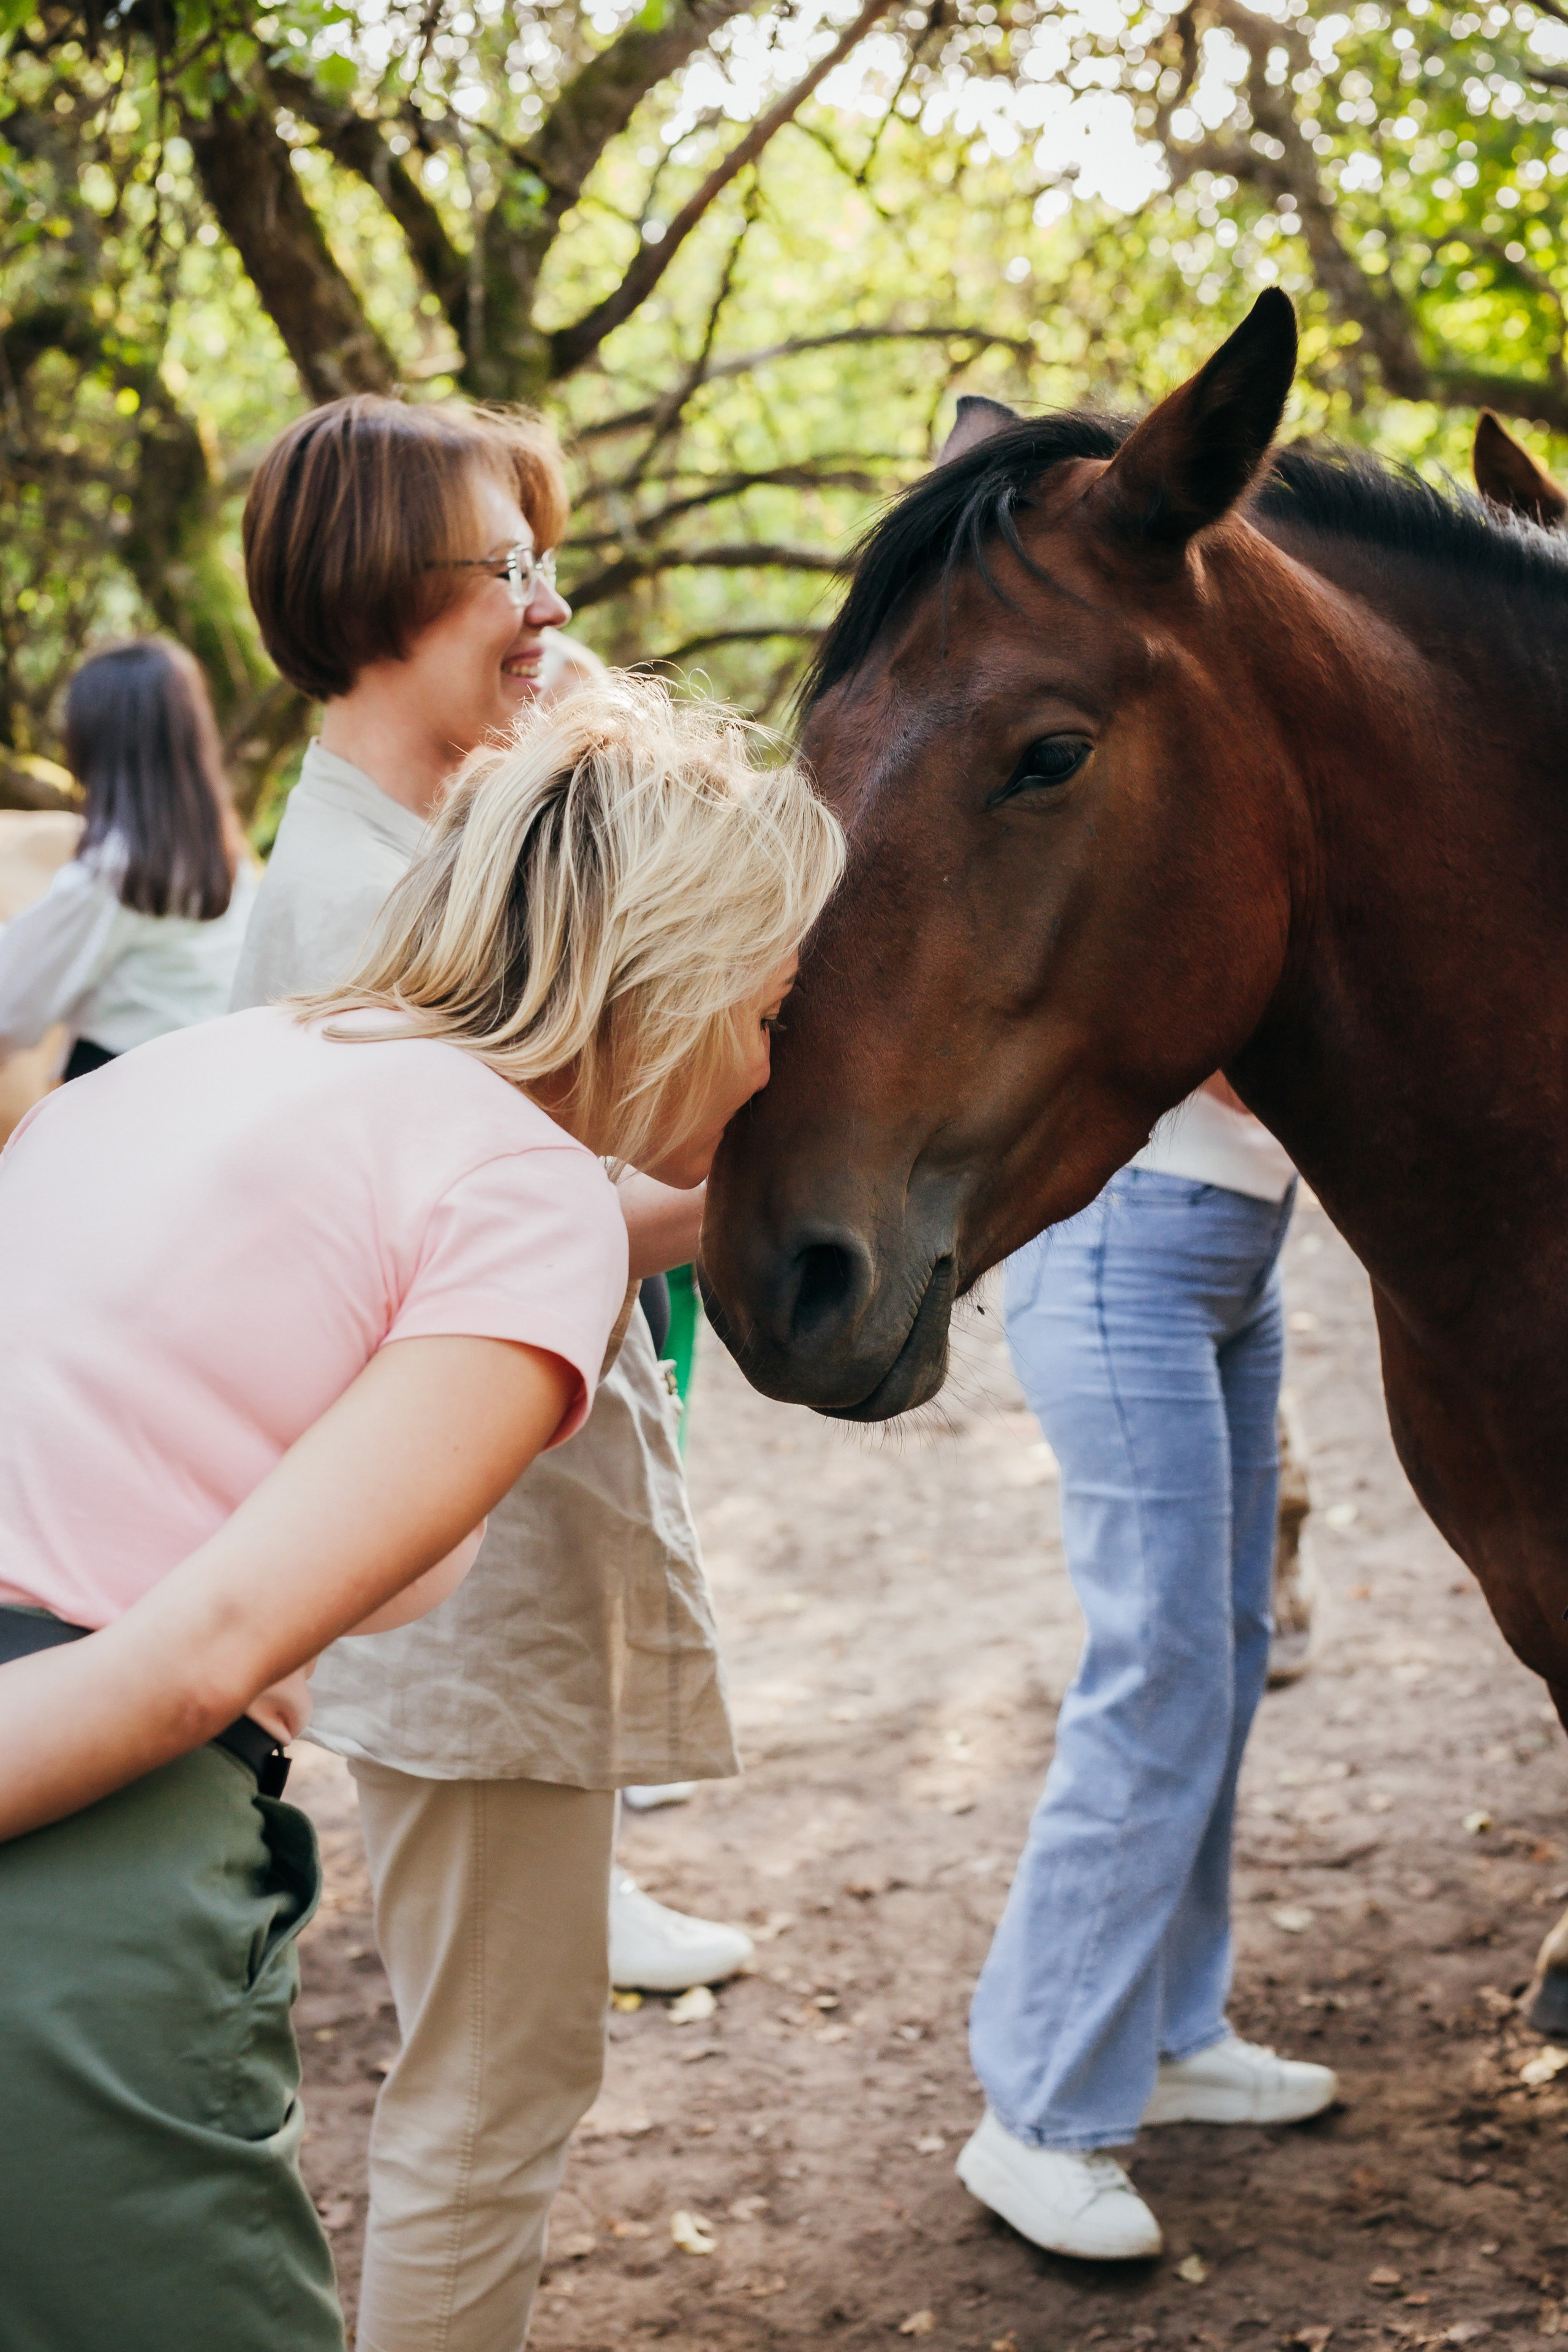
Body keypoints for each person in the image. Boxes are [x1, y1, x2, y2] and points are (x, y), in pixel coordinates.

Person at [0, 676, 843, 2352]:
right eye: (769, 1016)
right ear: (668, 989)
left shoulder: (243, 1061)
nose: (772, 1069)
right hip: (75, 1843)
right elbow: (197, 1655)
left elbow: (507, 1216)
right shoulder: (524, 1206)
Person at [232, 394, 752, 2352]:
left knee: (510, 2066)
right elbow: (495, 1238)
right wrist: (759, 1191)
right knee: (494, 2086)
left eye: (547, 562)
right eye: (503, 567)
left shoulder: (424, 849)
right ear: (375, 585)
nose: (548, 608)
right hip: (462, 1582)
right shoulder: (361, 912)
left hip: (495, 1559)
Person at [957, 1077, 1336, 2261]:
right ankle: (1038, 2112)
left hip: (1240, 1239)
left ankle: (1167, 2034)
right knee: (1161, 1671)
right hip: (1124, 1229)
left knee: (1228, 1644)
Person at [0, 636, 255, 1077]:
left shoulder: (115, 873)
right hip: (212, 1083)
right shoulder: (226, 859)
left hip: (121, 1092)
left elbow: (11, 1003)